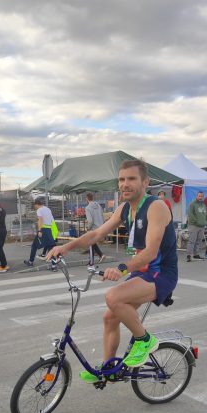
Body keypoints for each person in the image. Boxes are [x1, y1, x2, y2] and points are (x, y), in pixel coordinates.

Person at [47, 159, 177, 382]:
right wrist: (65, 246)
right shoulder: (125, 208)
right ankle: (109, 370)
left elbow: (151, 252)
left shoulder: (156, 207)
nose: (125, 184)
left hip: (161, 273)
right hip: (143, 273)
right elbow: (96, 235)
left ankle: (144, 340)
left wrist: (121, 268)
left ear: (146, 182)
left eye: (131, 179)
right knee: (110, 318)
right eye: (121, 179)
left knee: (113, 297)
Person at [24, 198, 56, 267]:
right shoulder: (48, 209)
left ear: (36, 204)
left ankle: (30, 262)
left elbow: (40, 220)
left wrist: (39, 230)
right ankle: (54, 266)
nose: (34, 207)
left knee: (34, 246)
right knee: (51, 248)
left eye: (34, 206)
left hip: (43, 229)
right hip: (49, 229)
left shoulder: (39, 210)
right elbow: (52, 220)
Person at [85, 192, 106, 265]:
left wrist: (88, 228)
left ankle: (91, 261)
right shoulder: (99, 206)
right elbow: (102, 216)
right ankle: (100, 255)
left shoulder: (88, 208)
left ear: (87, 199)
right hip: (101, 227)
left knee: (91, 243)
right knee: (93, 243)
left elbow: (90, 221)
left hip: (93, 228)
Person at [186, 191, 207, 262]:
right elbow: (190, 214)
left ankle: (196, 254)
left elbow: (206, 214)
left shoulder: (204, 205)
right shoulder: (192, 204)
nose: (200, 197)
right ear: (196, 196)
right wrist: (197, 222)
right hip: (194, 226)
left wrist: (205, 221)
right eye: (199, 196)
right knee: (191, 241)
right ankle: (189, 255)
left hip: (202, 226)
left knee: (198, 241)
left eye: (202, 196)